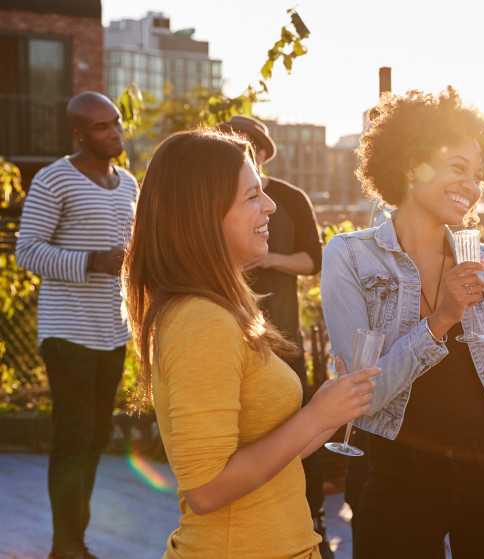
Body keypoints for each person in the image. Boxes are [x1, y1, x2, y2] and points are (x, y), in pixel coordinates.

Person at [123, 129, 379, 559]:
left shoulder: (221, 311)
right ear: (203, 215)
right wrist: (317, 413)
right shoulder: (199, 320)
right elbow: (206, 489)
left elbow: (277, 453)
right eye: (252, 196)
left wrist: (332, 411)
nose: (271, 205)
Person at [321, 88, 484, 559]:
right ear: (413, 164)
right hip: (395, 475)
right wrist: (441, 319)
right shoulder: (350, 256)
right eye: (458, 168)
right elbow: (364, 396)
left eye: (479, 175)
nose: (473, 186)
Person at [16, 91, 138, 559]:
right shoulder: (54, 180)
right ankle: (66, 545)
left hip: (113, 329)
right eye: (102, 127)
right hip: (66, 329)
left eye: (116, 122)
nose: (114, 132)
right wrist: (93, 260)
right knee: (73, 436)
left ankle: (74, 540)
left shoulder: (128, 184)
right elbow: (29, 251)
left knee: (96, 436)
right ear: (79, 134)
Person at [219, 115, 333, 557]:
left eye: (248, 146)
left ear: (264, 153)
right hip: (231, 330)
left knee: (300, 421)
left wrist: (269, 260)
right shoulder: (213, 200)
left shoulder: (290, 198)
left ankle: (313, 514)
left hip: (281, 332)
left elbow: (313, 260)